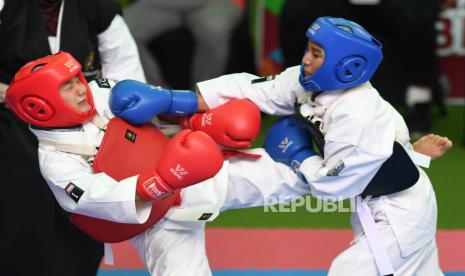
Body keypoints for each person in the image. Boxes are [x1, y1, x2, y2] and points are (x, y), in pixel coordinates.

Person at [153, 16, 444, 275]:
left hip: (399, 213)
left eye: (316, 54)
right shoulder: (308, 81)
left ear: (347, 67)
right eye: (309, 49)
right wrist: (179, 101)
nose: (305, 58)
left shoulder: (357, 115)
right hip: (373, 199)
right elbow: (255, 90)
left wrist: (299, 155)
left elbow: (334, 185)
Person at [5, 51, 314, 275]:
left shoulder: (99, 93)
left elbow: (151, 106)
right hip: (155, 222)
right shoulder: (56, 161)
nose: (80, 89)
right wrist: (164, 179)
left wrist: (195, 115)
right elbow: (94, 198)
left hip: (191, 171)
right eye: (67, 86)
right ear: (40, 106)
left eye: (76, 79)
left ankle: (323, 163)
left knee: (288, 177)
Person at [0, 0, 145, 275]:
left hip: (82, 127)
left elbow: (127, 80)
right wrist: (9, 93)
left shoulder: (96, 8)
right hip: (11, 124)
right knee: (19, 217)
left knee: (82, 218)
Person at [123, 0, 244, 88]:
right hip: (161, 3)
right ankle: (156, 96)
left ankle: (203, 99)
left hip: (218, 2)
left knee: (213, 29)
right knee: (122, 27)